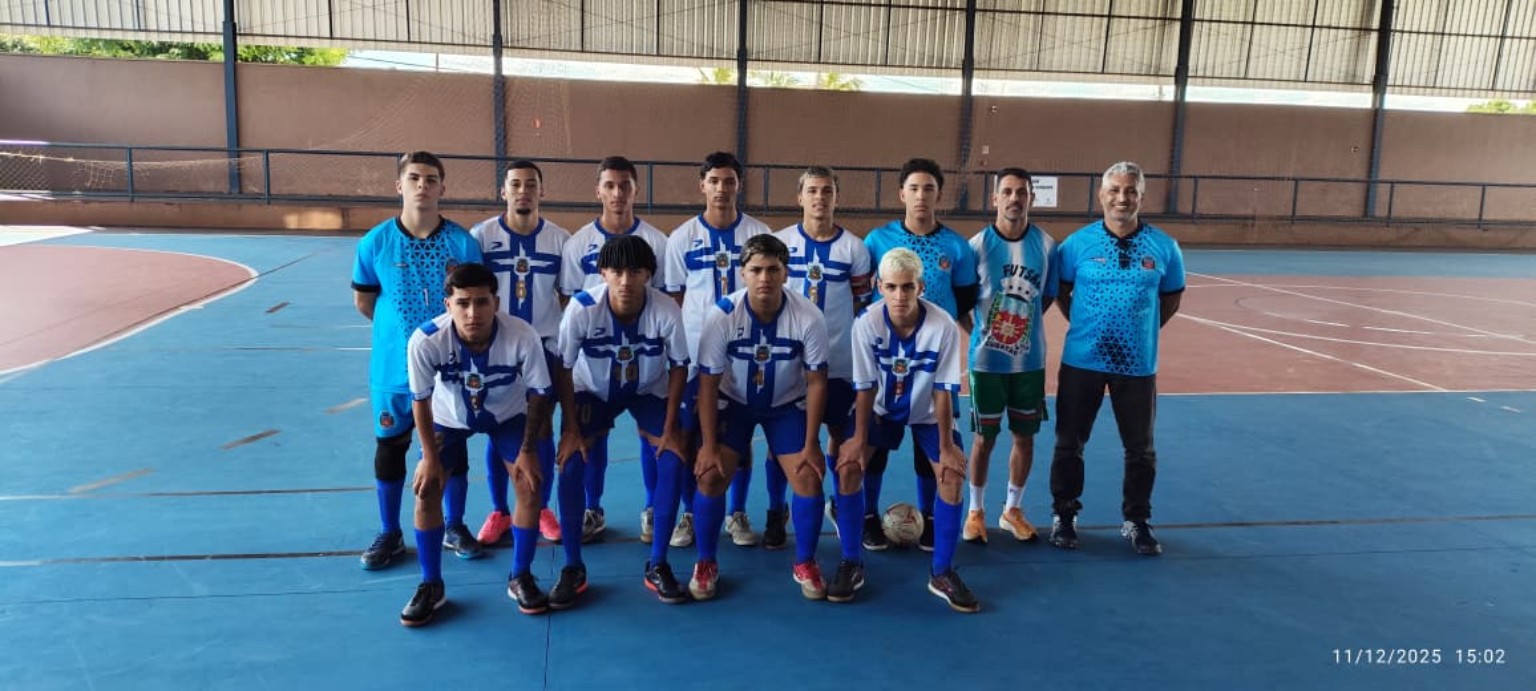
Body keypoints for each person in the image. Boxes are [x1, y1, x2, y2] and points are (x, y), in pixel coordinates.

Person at [399, 263, 557, 626]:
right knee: (426, 490)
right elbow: (420, 401)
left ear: (496, 302)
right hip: (448, 419)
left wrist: (529, 451)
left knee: (530, 485)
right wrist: (427, 457)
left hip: (509, 416)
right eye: (463, 303)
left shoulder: (522, 334)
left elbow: (538, 395)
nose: (473, 313)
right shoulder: (425, 340)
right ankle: (431, 584)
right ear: (448, 304)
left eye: (482, 302)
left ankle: (520, 575)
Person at [353, 151, 484, 571]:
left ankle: (454, 524)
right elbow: (365, 301)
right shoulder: (374, 243)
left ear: (443, 187)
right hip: (393, 369)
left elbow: (473, 305)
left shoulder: (462, 244)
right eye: (414, 178)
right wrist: (404, 339)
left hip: (450, 369)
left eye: (431, 179)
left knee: (453, 449)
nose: (422, 185)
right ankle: (389, 533)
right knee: (390, 447)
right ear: (399, 185)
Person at [1049, 161, 1185, 556]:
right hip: (1083, 360)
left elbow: (1171, 298)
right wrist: (1088, 325)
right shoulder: (1076, 245)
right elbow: (1061, 291)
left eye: (1130, 191)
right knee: (1069, 443)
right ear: (1101, 195)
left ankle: (1137, 521)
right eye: (1114, 190)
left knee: (1140, 448)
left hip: (1138, 365)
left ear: (1141, 197)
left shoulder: (1164, 247)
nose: (1122, 198)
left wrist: (1141, 331)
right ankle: (1065, 515)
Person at [689, 234, 831, 601]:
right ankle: (706, 561)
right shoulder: (721, 315)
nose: (764, 277)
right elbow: (707, 384)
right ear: (742, 274)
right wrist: (707, 446)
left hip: (786, 404)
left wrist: (813, 443)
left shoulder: (809, 317)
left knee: (809, 477)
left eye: (772, 270)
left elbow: (816, 382)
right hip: (733, 403)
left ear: (786, 274)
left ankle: (805, 561)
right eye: (756, 270)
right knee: (709, 474)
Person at [555, 235, 692, 604]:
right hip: (593, 390)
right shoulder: (582, 308)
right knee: (569, 465)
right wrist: (570, 430)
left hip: (648, 388)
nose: (626, 280)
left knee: (673, 459)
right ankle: (572, 565)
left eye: (636, 271)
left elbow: (680, 366)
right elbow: (564, 368)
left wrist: (669, 430)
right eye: (616, 271)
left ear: (649, 274)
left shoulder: (665, 308)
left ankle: (658, 562)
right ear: (602, 273)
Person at [842, 248, 978, 613]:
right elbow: (865, 387)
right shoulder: (866, 323)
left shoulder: (943, 326)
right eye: (891, 287)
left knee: (950, 474)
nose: (899, 296)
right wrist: (857, 440)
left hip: (929, 413)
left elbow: (945, 389)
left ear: (920, 287)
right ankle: (850, 562)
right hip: (882, 410)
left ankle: (942, 572)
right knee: (849, 467)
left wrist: (948, 446)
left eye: (907, 287)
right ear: (878, 287)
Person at [861, 157, 978, 552]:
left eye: (929, 188)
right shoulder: (877, 240)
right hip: (889, 363)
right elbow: (864, 297)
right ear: (901, 194)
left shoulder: (957, 247)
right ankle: (865, 515)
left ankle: (931, 518)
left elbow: (963, 299)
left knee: (928, 445)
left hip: (931, 360)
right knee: (874, 447)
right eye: (913, 188)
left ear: (938, 195)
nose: (921, 195)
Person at [663, 151, 773, 549]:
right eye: (714, 180)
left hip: (747, 356)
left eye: (729, 181)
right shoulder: (681, 238)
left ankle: (737, 512)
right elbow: (675, 298)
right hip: (696, 358)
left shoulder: (759, 234)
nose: (722, 188)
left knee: (738, 438)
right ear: (702, 185)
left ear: (739, 185)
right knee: (690, 436)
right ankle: (690, 513)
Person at [773, 165, 873, 600]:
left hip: (843, 372)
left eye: (827, 191)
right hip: (794, 373)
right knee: (789, 452)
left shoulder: (855, 249)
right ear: (800, 197)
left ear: (836, 197)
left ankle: (851, 557)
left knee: (848, 460)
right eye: (812, 190)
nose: (819, 198)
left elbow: (863, 307)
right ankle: (778, 513)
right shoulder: (782, 244)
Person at [559, 155, 671, 543]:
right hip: (596, 368)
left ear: (636, 190)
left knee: (654, 437)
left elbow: (667, 299)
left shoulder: (658, 242)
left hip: (645, 368)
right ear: (598, 191)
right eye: (609, 185)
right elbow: (568, 304)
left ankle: (654, 508)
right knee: (593, 437)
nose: (618, 193)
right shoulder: (578, 245)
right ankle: (593, 507)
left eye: (625, 185)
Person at [470, 160, 569, 546]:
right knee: (498, 428)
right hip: (496, 350)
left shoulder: (560, 241)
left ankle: (542, 506)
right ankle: (500, 510)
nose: (523, 191)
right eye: (515, 184)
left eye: (531, 184)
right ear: (503, 191)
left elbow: (568, 299)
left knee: (541, 427)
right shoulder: (481, 238)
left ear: (542, 192)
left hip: (544, 350)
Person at [963, 168, 1057, 544]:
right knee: (984, 439)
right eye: (1007, 191)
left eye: (1022, 192)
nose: (1014, 198)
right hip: (986, 363)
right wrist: (981, 335)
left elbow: (1048, 296)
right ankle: (975, 511)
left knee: (1025, 436)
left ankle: (1012, 509)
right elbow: (963, 299)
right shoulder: (976, 246)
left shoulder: (1048, 246)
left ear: (1031, 198)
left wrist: (1023, 329)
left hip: (1029, 361)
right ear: (995, 198)